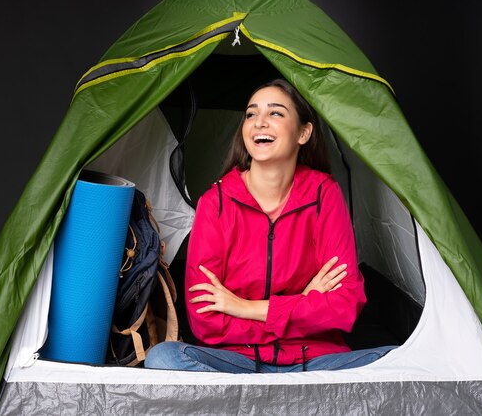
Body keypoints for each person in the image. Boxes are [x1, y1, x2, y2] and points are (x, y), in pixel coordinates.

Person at [145, 79, 395, 373]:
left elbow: (345, 304)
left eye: (275, 113)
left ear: (304, 132)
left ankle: (258, 402)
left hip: (315, 360)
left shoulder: (323, 195)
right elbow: (205, 320)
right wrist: (303, 304)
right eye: (251, 114)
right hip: (237, 362)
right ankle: (288, 401)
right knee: (163, 359)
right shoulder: (216, 202)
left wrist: (246, 308)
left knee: (400, 361)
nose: (259, 123)